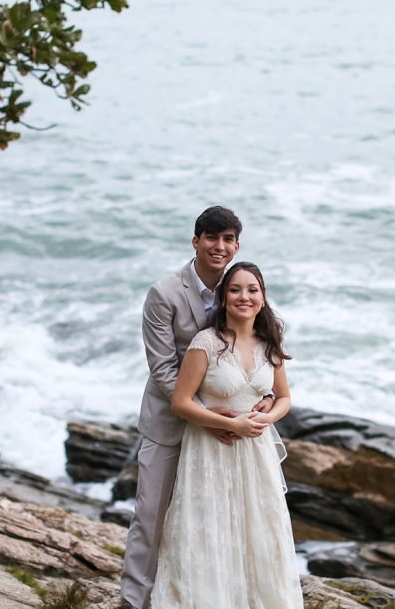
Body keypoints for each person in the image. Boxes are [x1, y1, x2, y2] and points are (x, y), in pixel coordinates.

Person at [119, 208, 275, 609]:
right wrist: (208, 415)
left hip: (231, 430)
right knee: (151, 515)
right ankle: (134, 600)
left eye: (227, 239)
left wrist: (267, 396)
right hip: (171, 422)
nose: (219, 247)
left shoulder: (241, 286)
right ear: (196, 242)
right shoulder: (164, 293)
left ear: (236, 245)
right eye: (211, 238)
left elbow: (261, 346)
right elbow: (162, 369)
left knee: (219, 520)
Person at [148, 261, 302, 609]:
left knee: (259, 532)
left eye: (252, 290)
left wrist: (266, 417)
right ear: (223, 298)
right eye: (235, 290)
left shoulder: (269, 343)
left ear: (262, 298)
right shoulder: (206, 342)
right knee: (209, 532)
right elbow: (180, 402)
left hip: (256, 452)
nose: (243, 297)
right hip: (210, 450)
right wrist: (232, 425)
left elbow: (285, 398)